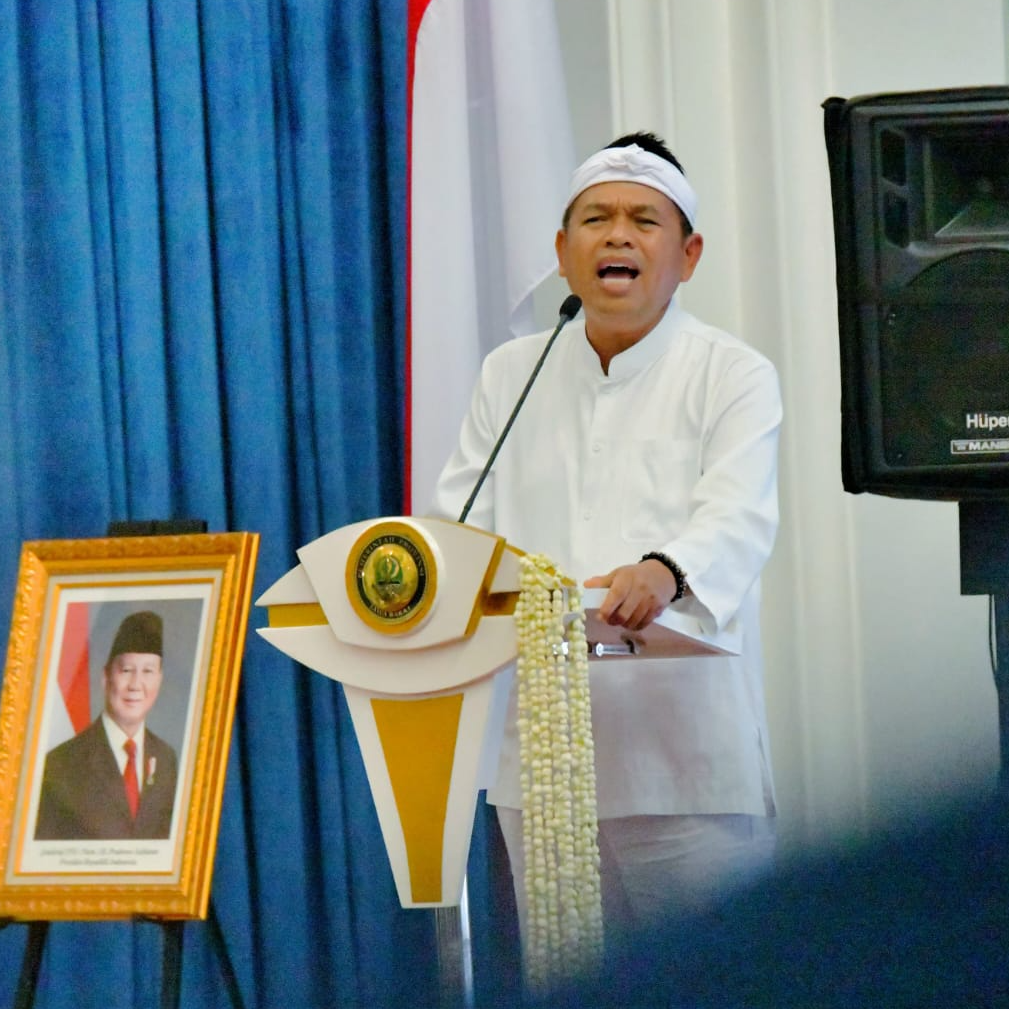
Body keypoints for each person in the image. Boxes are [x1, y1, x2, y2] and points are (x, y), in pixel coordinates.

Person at [431, 132, 782, 938]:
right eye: (595, 219)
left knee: (714, 986)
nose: (617, 235)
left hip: (686, 769)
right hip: (544, 767)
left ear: (688, 255)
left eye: (643, 220)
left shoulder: (731, 372)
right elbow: (462, 523)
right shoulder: (510, 374)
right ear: (562, 252)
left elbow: (737, 515)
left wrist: (664, 570)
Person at [35, 609, 179, 840]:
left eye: (148, 671)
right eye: (126, 670)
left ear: (160, 679)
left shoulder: (166, 760)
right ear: (106, 677)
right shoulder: (60, 764)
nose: (136, 685)